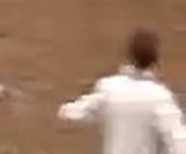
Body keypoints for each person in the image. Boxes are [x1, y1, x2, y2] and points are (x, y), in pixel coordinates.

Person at [58, 28, 186, 154]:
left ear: (129, 56)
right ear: (156, 59)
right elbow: (178, 142)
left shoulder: (110, 88)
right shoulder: (160, 97)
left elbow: (72, 112)